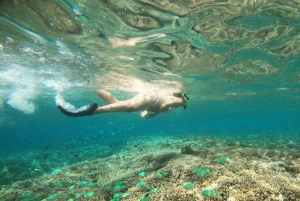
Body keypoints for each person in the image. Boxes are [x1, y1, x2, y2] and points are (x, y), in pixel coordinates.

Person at [57, 90, 189, 119]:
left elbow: (158, 106)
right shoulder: (180, 101)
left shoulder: (173, 98)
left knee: (119, 104)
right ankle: (92, 111)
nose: (185, 104)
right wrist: (154, 115)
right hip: (152, 97)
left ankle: (96, 87)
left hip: (151, 99)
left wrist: (145, 112)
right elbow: (165, 106)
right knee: (129, 107)